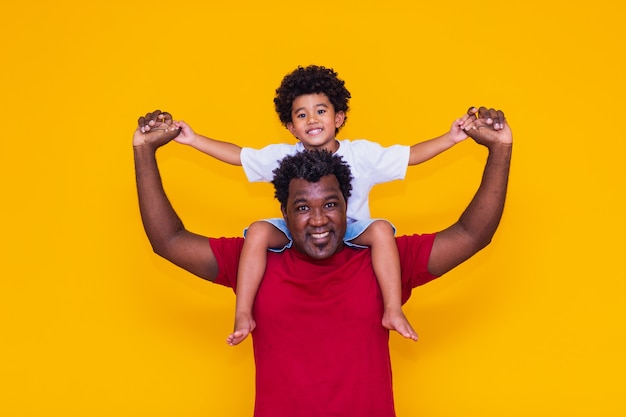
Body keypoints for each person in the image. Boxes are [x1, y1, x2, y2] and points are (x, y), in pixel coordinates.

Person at [133, 105, 512, 417]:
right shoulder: (258, 259)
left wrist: (500, 150)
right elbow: (168, 240)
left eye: (330, 204)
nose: (317, 219)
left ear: (348, 206)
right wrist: (144, 152)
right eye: (302, 207)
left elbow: (470, 234)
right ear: (282, 211)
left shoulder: (383, 261)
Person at [140, 65, 472, 345]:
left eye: (321, 111)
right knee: (256, 231)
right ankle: (243, 312)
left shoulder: (362, 154)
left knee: (382, 229)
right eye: (301, 114)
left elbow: (410, 156)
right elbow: (238, 156)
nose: (312, 119)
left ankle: (392, 308)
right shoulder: (283, 157)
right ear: (290, 126)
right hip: (296, 232)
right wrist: (193, 139)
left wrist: (451, 137)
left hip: (353, 229)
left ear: (339, 117)